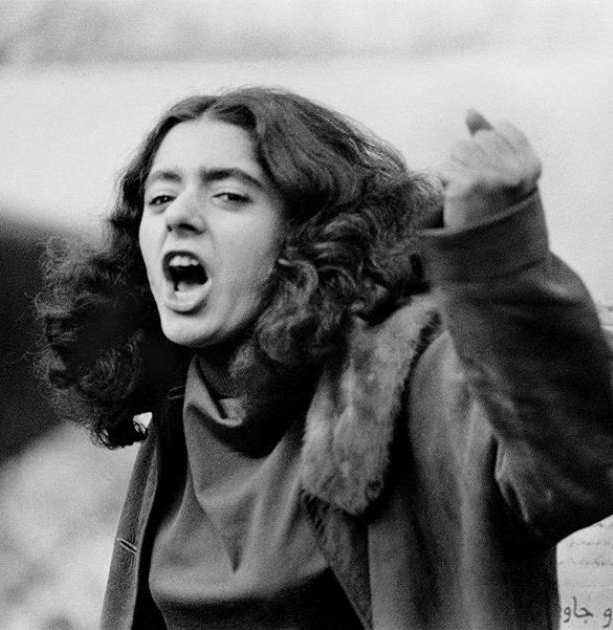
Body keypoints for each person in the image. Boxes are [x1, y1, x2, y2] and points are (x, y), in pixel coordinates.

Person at [36, 87, 613, 630]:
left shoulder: (405, 374)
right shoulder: (180, 402)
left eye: (229, 194)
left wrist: (498, 247)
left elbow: (583, 464)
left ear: (306, 235)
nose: (178, 215)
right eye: (160, 196)